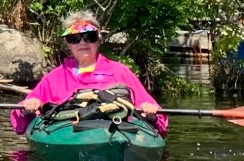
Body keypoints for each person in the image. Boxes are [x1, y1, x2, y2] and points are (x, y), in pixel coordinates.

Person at [12, 11, 166, 134]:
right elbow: (20, 121)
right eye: (75, 38)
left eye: (89, 37)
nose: (83, 43)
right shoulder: (55, 77)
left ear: (98, 40)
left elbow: (159, 118)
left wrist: (151, 112)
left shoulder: (120, 72)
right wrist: (28, 108)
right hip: (68, 134)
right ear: (68, 45)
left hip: (117, 130)